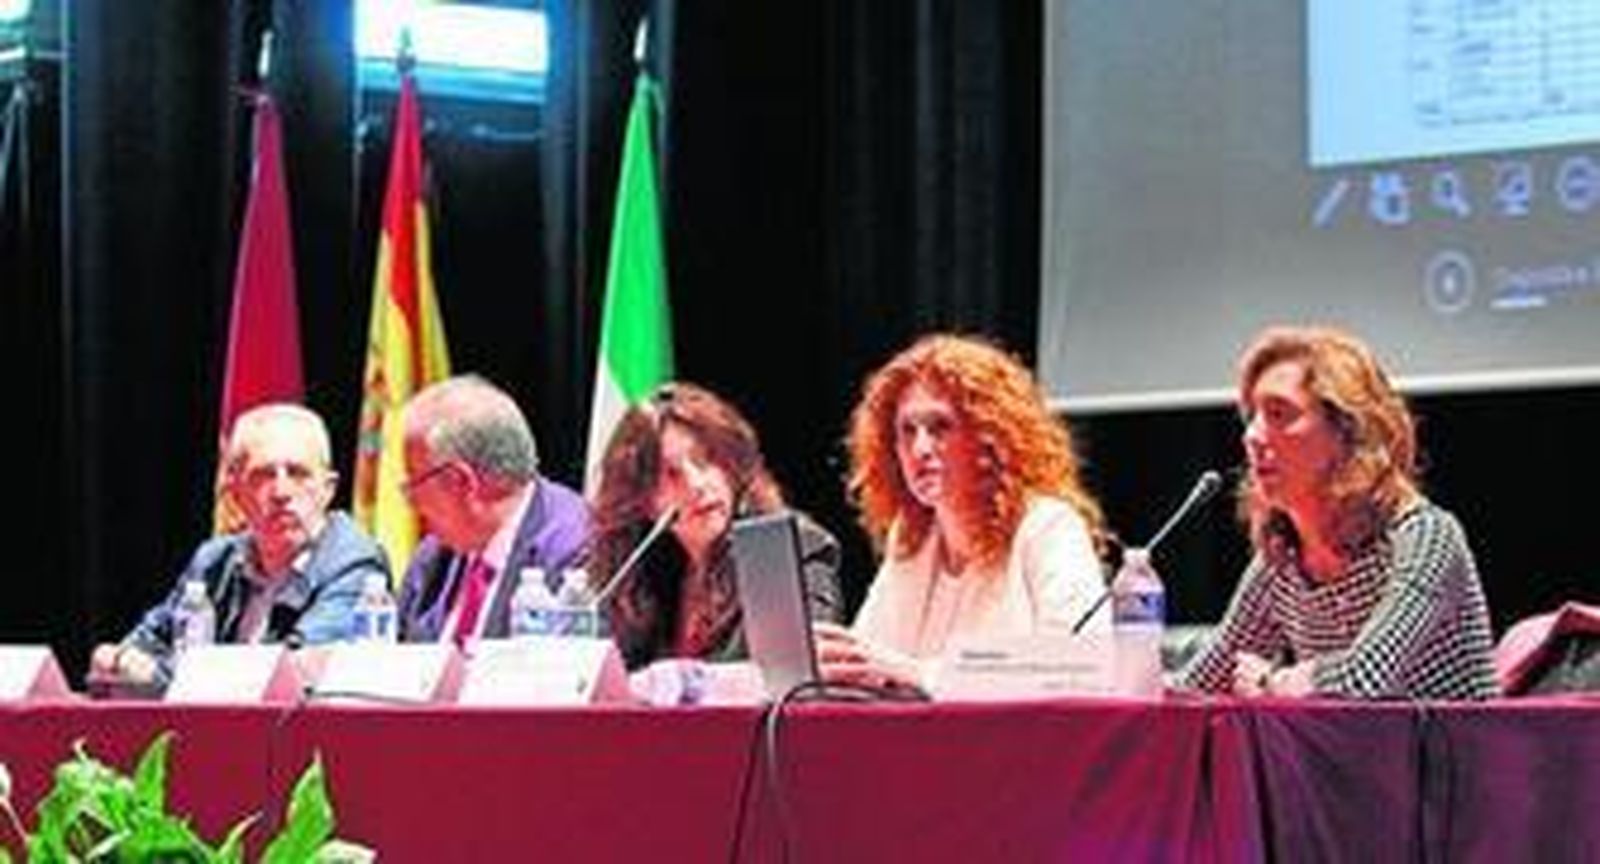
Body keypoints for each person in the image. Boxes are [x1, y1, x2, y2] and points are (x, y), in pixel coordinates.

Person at [1176, 325, 1497, 700]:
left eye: (1279, 413)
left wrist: (1271, 682)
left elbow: (1365, 678)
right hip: (1358, 757)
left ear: (1348, 431)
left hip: (1450, 757)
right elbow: (1197, 685)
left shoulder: (1424, 536)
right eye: (1252, 416)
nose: (1252, 436)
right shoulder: (1281, 559)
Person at [815, 334, 1110, 690]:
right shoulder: (911, 536)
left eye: (940, 427)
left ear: (990, 438)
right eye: (906, 431)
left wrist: (919, 673)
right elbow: (873, 659)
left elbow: (1083, 665)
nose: (920, 448)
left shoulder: (1047, 526)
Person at [88, 403, 388, 689]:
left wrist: (153, 672)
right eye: (263, 475)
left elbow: (287, 677)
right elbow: (139, 646)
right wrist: (120, 659)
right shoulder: (214, 560)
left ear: (328, 490)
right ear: (235, 494)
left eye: (298, 473)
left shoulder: (355, 562)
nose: (282, 492)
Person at [592, 382, 842, 670]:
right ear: (644, 501)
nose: (696, 484)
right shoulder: (645, 571)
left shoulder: (790, 548)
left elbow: (798, 675)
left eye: (706, 460)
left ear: (731, 466)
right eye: (671, 474)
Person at [396, 375, 591, 644]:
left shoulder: (575, 551)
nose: (410, 503)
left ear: (461, 481)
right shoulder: (433, 557)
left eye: (414, 483)